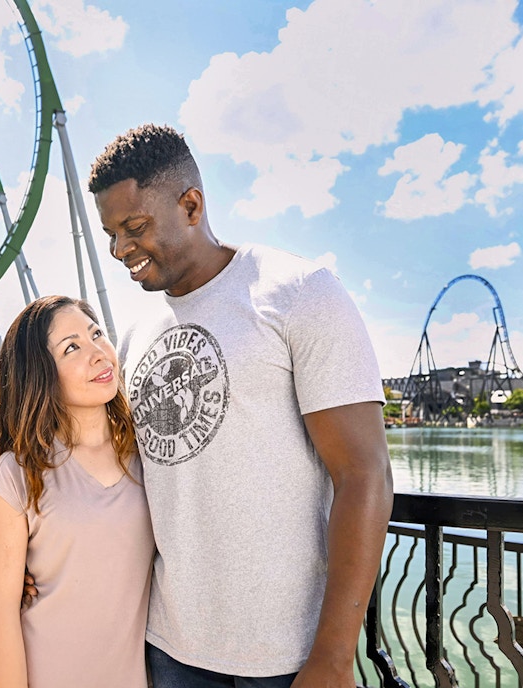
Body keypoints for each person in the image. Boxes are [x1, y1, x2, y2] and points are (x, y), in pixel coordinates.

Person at [87, 123, 395, 687]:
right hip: (168, 646)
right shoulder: (133, 334)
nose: (120, 249)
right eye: (110, 234)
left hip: (286, 657)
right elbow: (125, 479)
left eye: (134, 227)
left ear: (191, 204)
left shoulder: (300, 291)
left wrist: (333, 656)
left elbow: (364, 472)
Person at [0, 295, 155, 688]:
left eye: (96, 335)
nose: (98, 354)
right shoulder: (20, 472)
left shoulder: (150, 455)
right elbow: (0, 613)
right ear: (40, 374)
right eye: (71, 347)